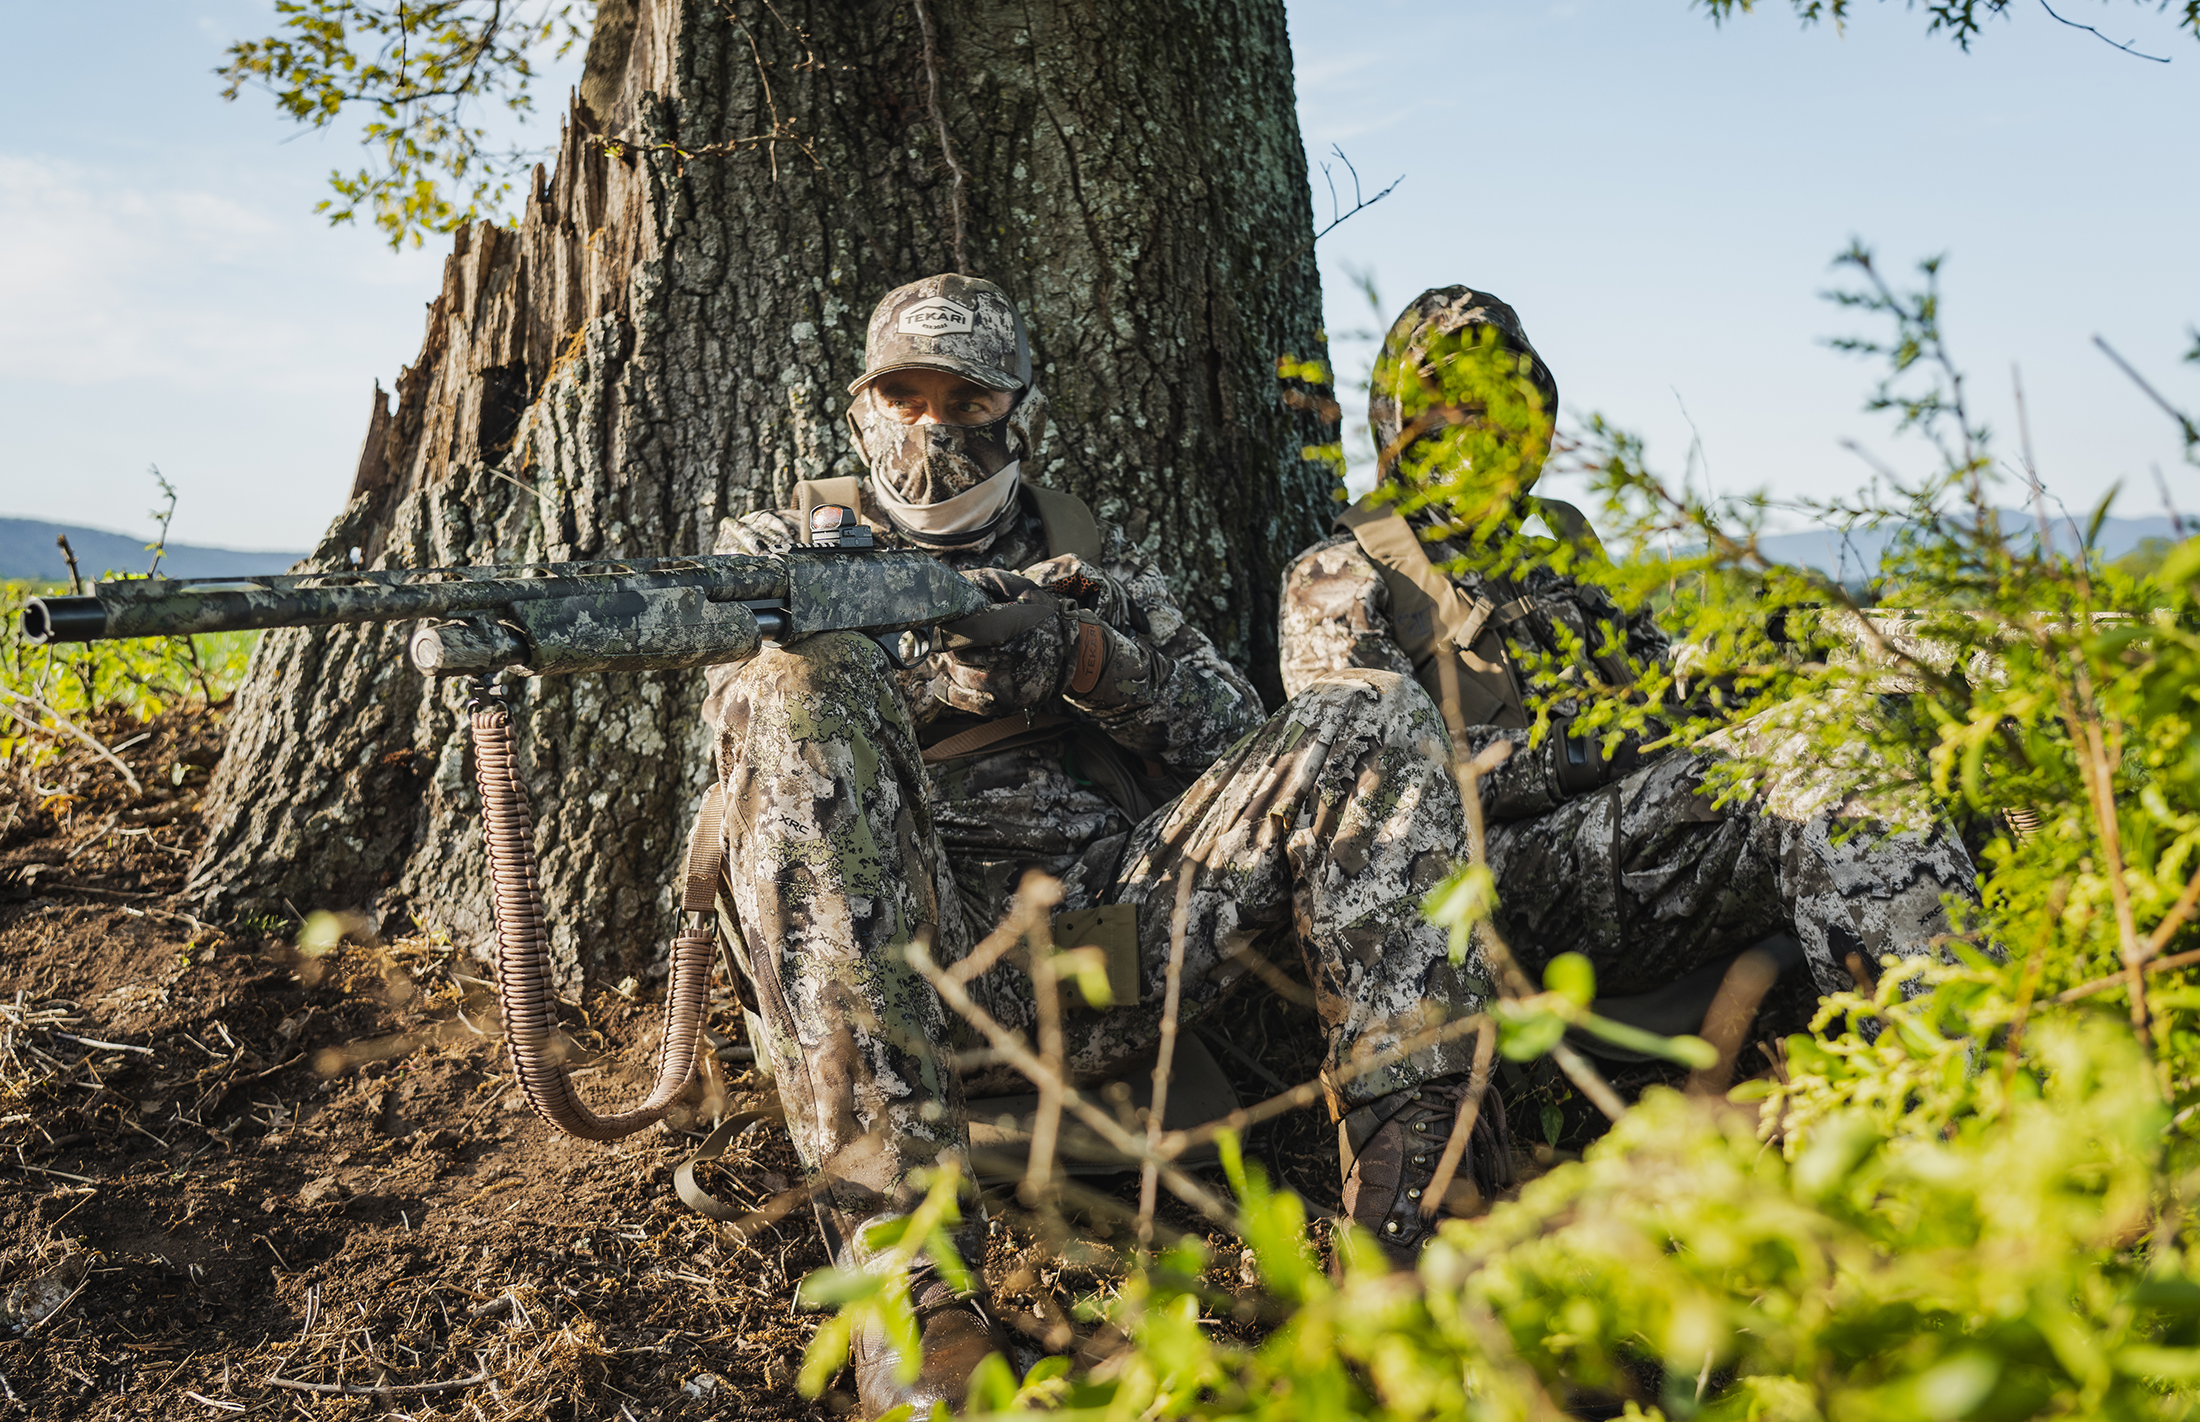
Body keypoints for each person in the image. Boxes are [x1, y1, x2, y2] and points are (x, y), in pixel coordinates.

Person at [704, 275, 1507, 1413]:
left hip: (1106, 944)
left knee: (1367, 714)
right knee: (799, 680)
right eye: (905, 393)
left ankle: (1415, 1224)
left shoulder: (1096, 565)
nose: (933, 424)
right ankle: (909, 1296)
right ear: (860, 406)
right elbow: (748, 746)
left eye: (968, 401)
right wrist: (911, 666)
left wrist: (1090, 665)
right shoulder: (778, 548)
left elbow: (1247, 744)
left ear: (1016, 412)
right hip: (896, 977)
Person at [1279, 286, 1980, 1039]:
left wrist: (1726, 675)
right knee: (1820, 754)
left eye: (1497, 403)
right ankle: (1954, 1079)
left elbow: (1653, 684)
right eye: (1450, 404)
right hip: (1499, 889)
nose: (1476, 429)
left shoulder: (1562, 542)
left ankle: (1977, 1053)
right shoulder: (1340, 574)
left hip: (1634, 839)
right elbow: (1364, 789)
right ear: (1402, 421)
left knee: (1889, 713)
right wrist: (1555, 761)